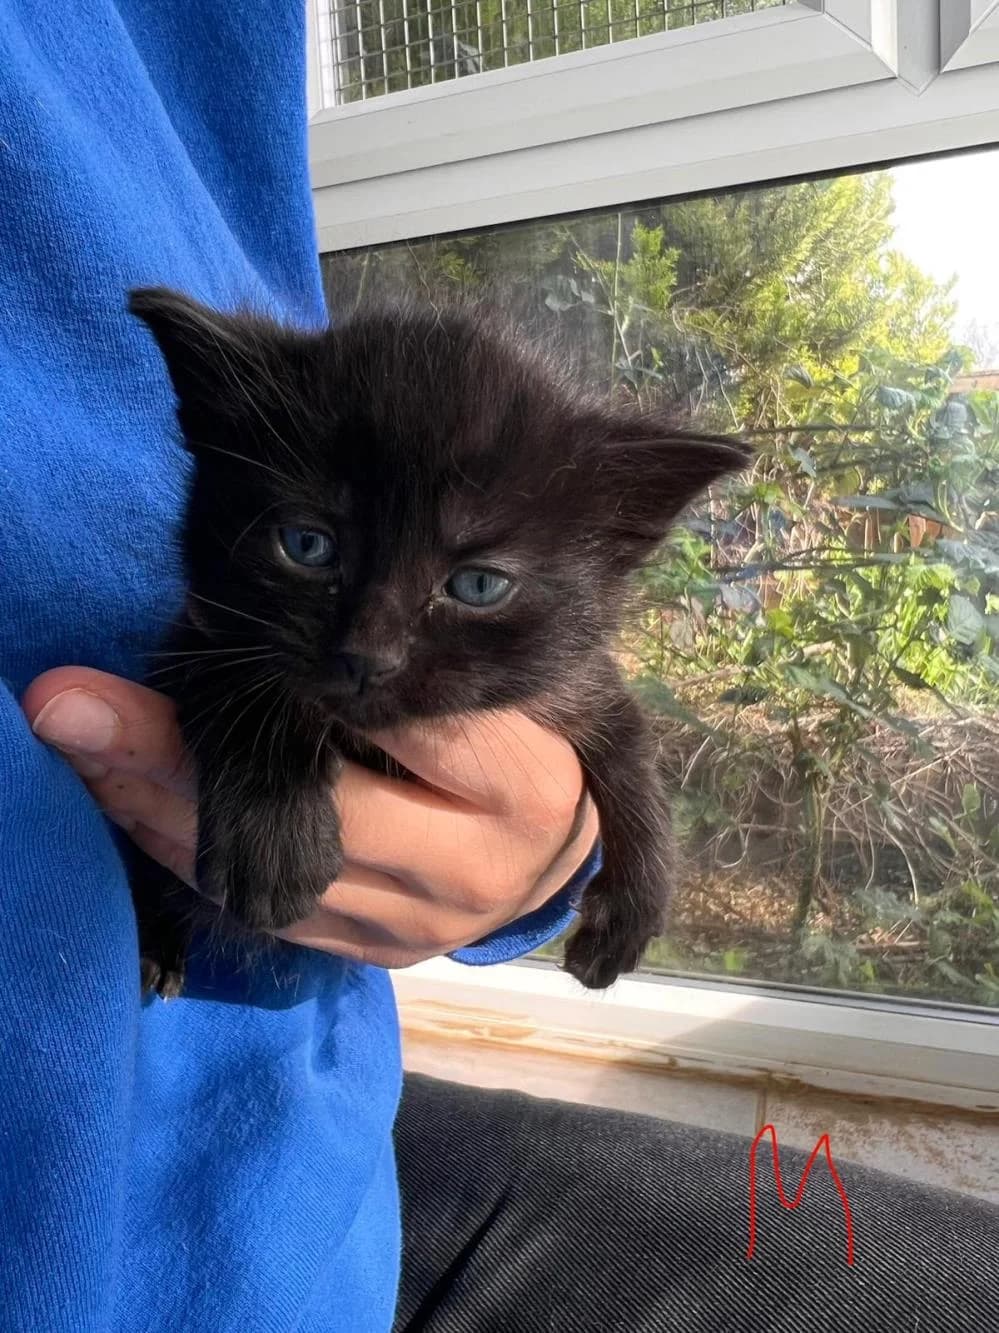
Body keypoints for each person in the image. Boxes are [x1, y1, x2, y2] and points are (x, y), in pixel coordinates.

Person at [2, 4, 996, 1332]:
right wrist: (254, 742)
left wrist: (575, 865)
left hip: (307, 1178)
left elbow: (605, 739)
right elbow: (202, 650)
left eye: (471, 583)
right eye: (308, 545)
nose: (369, 641)